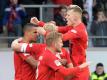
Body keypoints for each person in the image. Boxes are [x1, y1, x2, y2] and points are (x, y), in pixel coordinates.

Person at [30, 5, 90, 80]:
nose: (66, 17)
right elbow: (56, 29)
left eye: (68, 15)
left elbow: (60, 38)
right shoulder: (74, 27)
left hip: (79, 71)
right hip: (75, 68)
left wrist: (44, 33)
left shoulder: (79, 30)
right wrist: (39, 23)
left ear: (75, 18)